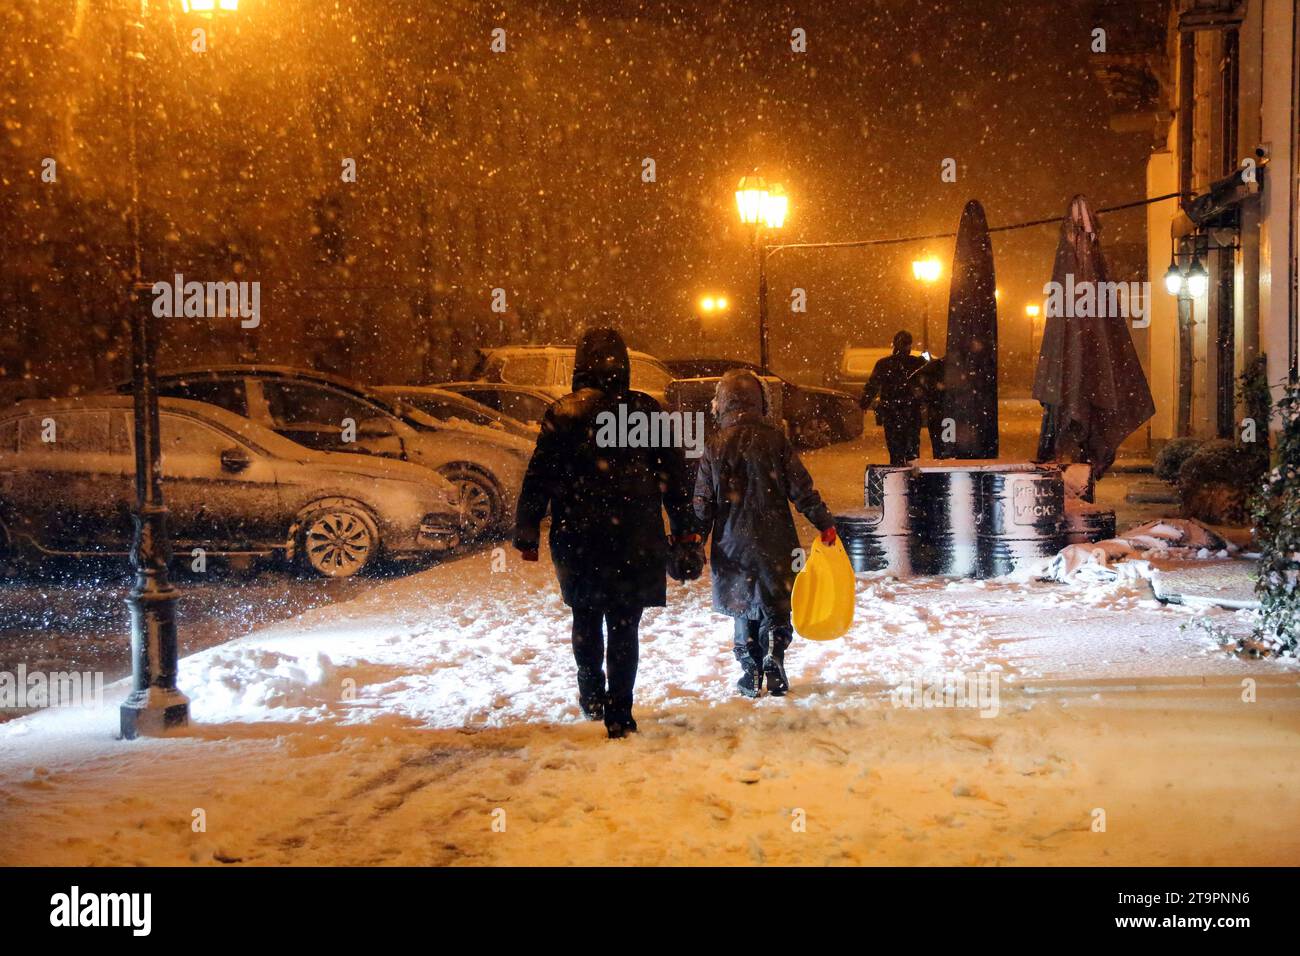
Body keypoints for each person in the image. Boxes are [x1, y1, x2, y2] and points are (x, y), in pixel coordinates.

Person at [514, 326, 694, 739]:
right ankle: (620, 712)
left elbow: (540, 475)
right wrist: (684, 533)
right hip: (636, 537)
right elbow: (674, 478)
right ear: (625, 365)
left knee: (586, 616)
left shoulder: (562, 413)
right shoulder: (647, 412)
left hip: (578, 537)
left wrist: (526, 529)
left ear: (580, 366)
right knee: (625, 625)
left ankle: (591, 695)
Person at [693, 369, 836, 698]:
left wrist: (694, 538)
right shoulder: (775, 441)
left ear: (722, 404)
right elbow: (801, 489)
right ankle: (775, 655)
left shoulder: (715, 446)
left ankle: (750, 669)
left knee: (744, 607)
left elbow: (703, 501)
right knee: (775, 602)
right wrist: (824, 522)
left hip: (732, 541)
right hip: (775, 537)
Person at [859, 330, 927, 465]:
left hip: (891, 411)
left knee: (895, 449)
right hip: (910, 411)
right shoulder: (917, 364)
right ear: (910, 345)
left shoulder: (884, 364)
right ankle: (912, 478)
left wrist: (864, 402)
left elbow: (873, 384)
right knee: (912, 450)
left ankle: (898, 474)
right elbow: (927, 384)